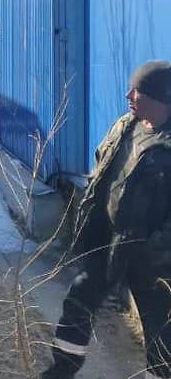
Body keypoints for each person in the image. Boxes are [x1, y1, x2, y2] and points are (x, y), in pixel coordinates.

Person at [42, 61, 171, 379]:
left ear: (160, 98)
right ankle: (61, 370)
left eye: (136, 90)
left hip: (152, 259)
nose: (128, 94)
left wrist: (154, 249)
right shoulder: (124, 125)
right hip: (108, 242)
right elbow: (101, 173)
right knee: (79, 302)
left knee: (161, 331)